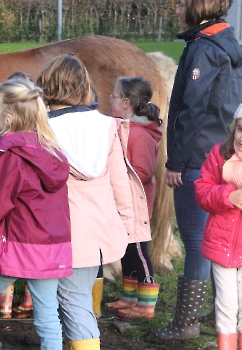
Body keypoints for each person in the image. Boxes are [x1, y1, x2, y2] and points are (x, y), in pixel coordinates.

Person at [152, 0, 242, 341]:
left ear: (199, 7)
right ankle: (222, 308)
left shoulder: (203, 49)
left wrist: (176, 161)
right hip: (220, 152)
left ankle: (185, 323)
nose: (176, 9)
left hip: (196, 159)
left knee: (196, 242)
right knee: (215, 238)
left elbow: (191, 111)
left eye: (181, 4)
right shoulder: (226, 42)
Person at [0, 79, 72, 349]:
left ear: (8, 116)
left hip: (17, 246)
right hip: (52, 247)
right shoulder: (52, 151)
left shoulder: (9, 155)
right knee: (48, 312)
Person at [37, 54, 134, 350]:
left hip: (57, 232)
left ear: (47, 86)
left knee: (65, 302)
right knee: (76, 299)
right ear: (83, 86)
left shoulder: (42, 129)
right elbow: (120, 181)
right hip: (97, 233)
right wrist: (126, 226)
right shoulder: (106, 126)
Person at [194, 88, 242, 350]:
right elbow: (202, 190)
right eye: (240, 129)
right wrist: (227, 196)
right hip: (222, 246)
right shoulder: (220, 155)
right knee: (226, 305)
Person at [105, 77, 162, 320]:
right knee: (127, 250)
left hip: (136, 203)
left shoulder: (140, 134)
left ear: (126, 102)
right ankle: (130, 297)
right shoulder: (124, 127)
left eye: (114, 96)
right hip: (124, 202)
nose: (110, 99)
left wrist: (117, 175)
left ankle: (147, 303)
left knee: (139, 250)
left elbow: (144, 171)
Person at [0, 71, 35, 320]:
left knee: (5, 255)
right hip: (34, 213)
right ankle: (29, 302)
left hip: (9, 213)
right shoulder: (44, 138)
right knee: (32, 255)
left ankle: (3, 303)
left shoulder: (4, 140)